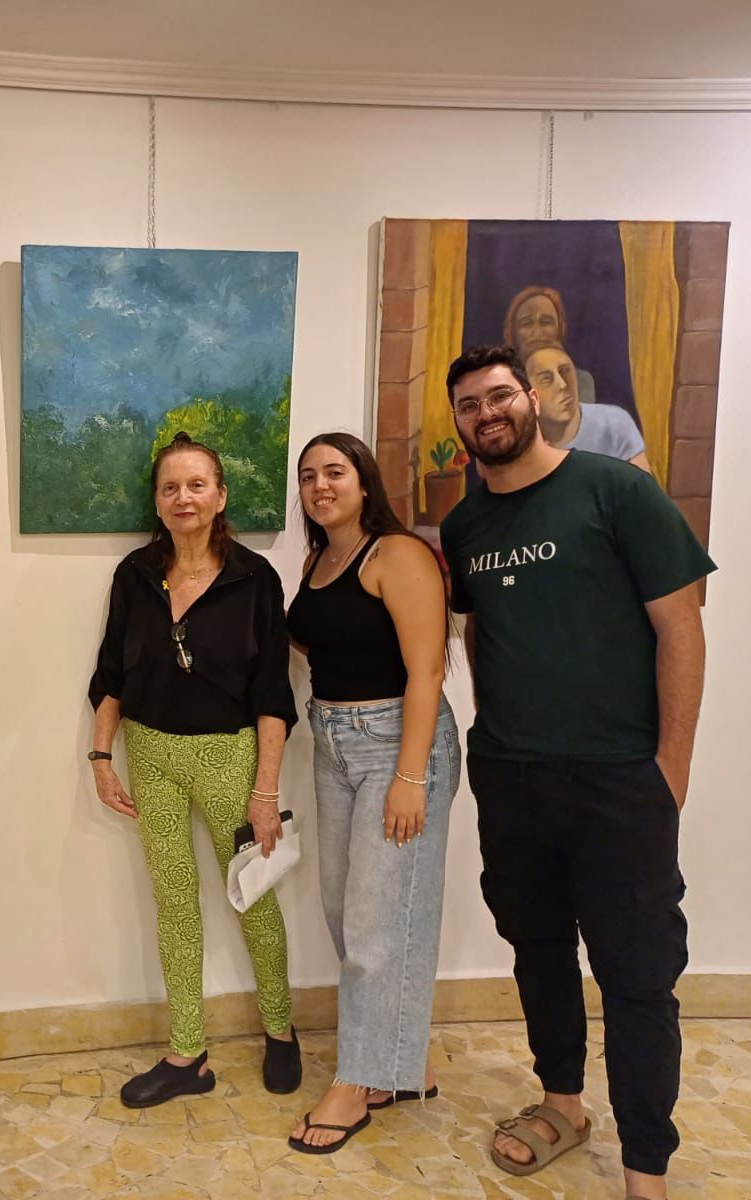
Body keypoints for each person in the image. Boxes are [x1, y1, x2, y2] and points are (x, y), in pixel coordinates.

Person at [439, 345, 712, 1200]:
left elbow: (682, 628)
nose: (487, 413)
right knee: (539, 950)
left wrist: (670, 772)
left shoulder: (616, 490)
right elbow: (480, 633)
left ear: (532, 398)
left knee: (638, 977)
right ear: (458, 424)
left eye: (499, 395)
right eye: (469, 404)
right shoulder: (466, 527)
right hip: (512, 778)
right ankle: (562, 1105)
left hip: (619, 781)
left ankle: (645, 1171)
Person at [87, 431, 302, 1107]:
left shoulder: (254, 579)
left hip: (229, 757)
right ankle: (188, 1055)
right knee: (174, 903)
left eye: (197, 485)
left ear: (220, 496)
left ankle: (280, 1030)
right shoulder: (135, 575)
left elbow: (273, 693)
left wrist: (265, 791)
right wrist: (101, 756)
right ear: (157, 501)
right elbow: (111, 673)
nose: (184, 497)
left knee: (254, 896)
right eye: (170, 487)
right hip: (149, 755)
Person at [283, 432, 459, 1154]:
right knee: (344, 909)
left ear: (364, 482)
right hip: (334, 742)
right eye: (308, 476)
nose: (320, 486)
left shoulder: (398, 554)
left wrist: (411, 777)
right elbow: (320, 637)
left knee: (378, 919)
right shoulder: (318, 561)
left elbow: (427, 671)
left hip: (397, 746)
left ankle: (357, 1082)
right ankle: (395, 1062)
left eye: (335, 472)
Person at [526, 345, 650, 471]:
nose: (562, 384)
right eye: (546, 379)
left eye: (565, 371)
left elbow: (642, 482)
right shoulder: (523, 443)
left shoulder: (615, 423)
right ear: (531, 396)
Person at [503, 285, 598, 406]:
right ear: (513, 332)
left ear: (559, 329)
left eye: (546, 322)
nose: (537, 332)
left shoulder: (580, 381)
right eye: (526, 323)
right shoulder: (502, 382)